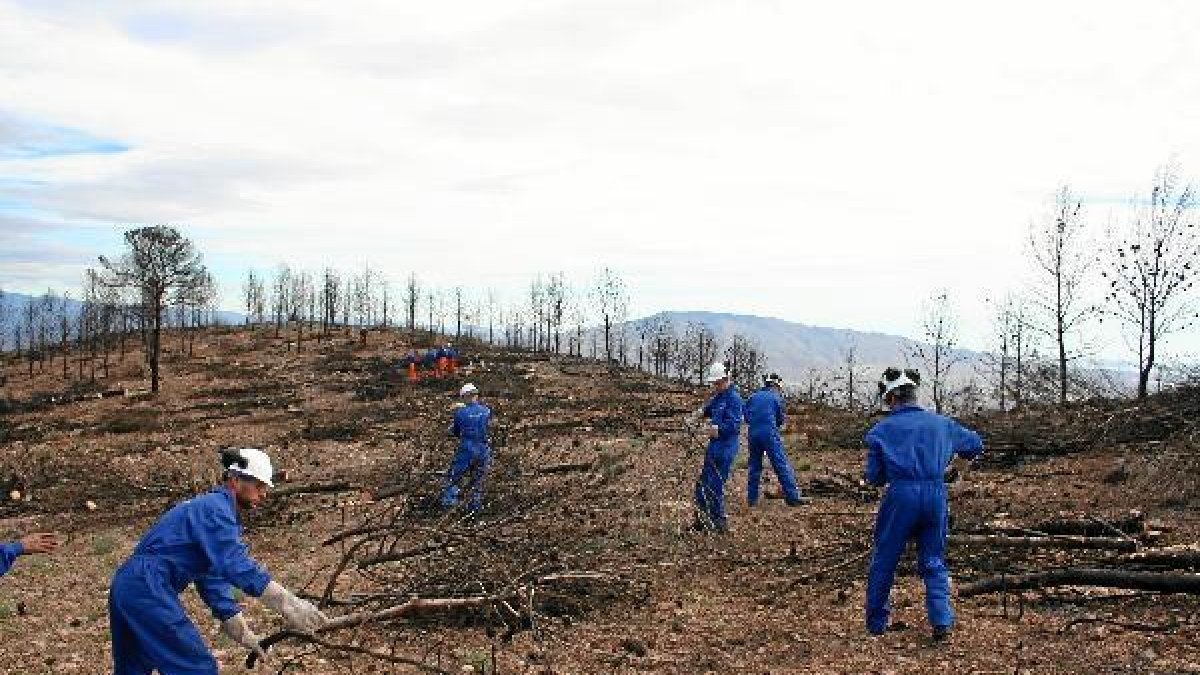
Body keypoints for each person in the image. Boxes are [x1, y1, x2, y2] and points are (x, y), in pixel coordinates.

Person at [109, 448, 328, 674]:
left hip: (129, 585)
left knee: (132, 669)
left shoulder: (209, 509)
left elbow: (210, 574)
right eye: (259, 486)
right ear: (235, 480)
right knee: (195, 668)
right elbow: (235, 564)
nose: (263, 494)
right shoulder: (215, 509)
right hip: (146, 585)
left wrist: (236, 625)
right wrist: (288, 603)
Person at [863, 367, 983, 642]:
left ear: (891, 398)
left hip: (901, 497)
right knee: (933, 560)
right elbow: (975, 444)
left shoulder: (881, 431)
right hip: (935, 495)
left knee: (885, 559)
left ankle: (876, 624)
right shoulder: (942, 424)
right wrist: (957, 467)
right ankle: (941, 620)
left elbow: (874, 478)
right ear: (914, 394)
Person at [693, 362, 744, 533]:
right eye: (714, 383)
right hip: (714, 447)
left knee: (714, 485)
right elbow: (708, 409)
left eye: (718, 383)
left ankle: (719, 524)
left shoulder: (734, 399)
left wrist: (718, 429)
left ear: (726, 379)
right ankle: (702, 520)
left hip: (726, 447)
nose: (715, 386)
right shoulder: (718, 397)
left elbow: (735, 426)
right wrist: (697, 415)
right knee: (701, 484)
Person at [744, 373, 806, 507]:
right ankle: (792, 497)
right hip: (769, 433)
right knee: (780, 464)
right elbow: (780, 420)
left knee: (754, 466)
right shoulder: (775, 397)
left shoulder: (752, 397)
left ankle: (751, 499)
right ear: (776, 385)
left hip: (753, 434)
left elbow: (746, 416)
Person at [440, 383, 492, 513]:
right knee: (477, 480)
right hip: (484, 449)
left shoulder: (460, 413)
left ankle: (449, 506)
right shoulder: (486, 410)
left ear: (464, 397)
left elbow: (456, 432)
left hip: (468, 448)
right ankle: (474, 509)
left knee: (453, 477)